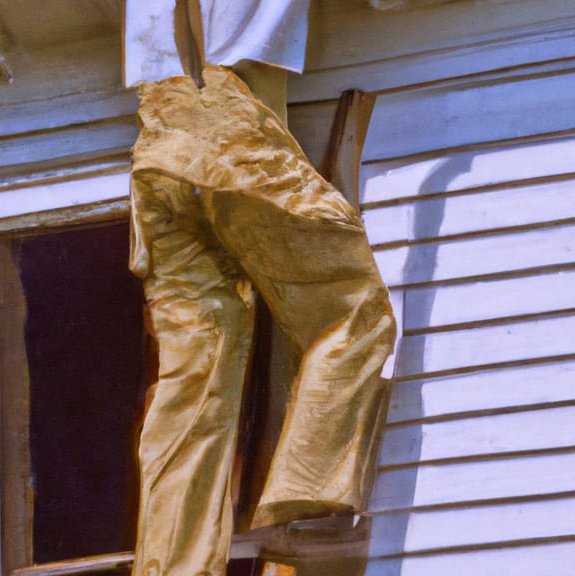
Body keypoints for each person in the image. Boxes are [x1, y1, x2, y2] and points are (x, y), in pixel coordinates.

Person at [124, 2, 397, 574]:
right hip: (234, 139)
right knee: (353, 317)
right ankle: (306, 501)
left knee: (197, 370)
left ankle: (175, 565)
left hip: (157, 149)